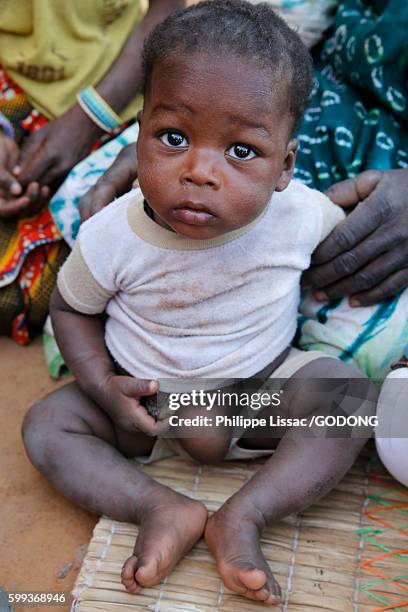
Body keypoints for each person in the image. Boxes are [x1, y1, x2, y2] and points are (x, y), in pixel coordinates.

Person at [22, 1, 377, 605]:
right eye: (174, 137)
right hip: (148, 408)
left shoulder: (301, 215)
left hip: (254, 399)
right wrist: (106, 385)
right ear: (138, 139)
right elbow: (70, 309)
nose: (199, 171)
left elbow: (346, 232)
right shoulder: (114, 233)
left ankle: (247, 513)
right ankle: (160, 506)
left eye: (241, 151)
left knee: (351, 396)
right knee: (47, 426)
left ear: (286, 165)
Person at [0, 0, 182, 343]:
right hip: (9, 85)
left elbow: (167, 8)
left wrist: (88, 119)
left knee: (31, 293)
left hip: (115, 89)